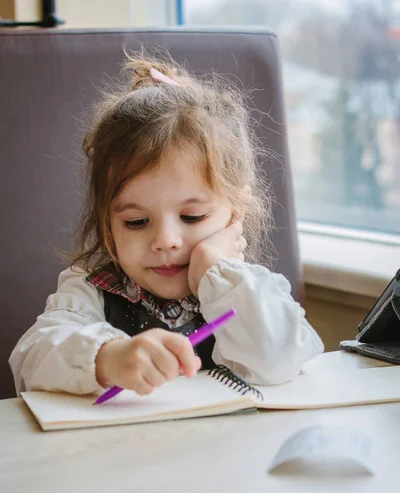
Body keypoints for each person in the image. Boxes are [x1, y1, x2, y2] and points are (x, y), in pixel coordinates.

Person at [9, 54, 323, 397]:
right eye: (136, 222)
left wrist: (216, 271)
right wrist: (108, 358)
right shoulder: (91, 288)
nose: (165, 241)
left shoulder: (248, 289)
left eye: (192, 217)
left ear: (236, 213)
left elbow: (281, 362)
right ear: (107, 221)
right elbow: (31, 359)